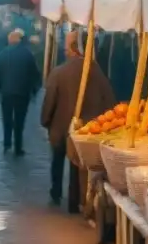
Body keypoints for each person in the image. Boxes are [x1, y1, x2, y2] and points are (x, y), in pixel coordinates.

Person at [41, 31, 116, 206]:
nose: (65, 51)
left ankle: (56, 191)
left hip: (61, 127)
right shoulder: (96, 72)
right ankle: (74, 201)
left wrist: (45, 120)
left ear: (75, 49)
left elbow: (49, 101)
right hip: (87, 129)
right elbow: (110, 100)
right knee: (77, 165)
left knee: (57, 159)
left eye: (67, 47)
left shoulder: (59, 72)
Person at [0, 30, 40, 155]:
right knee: (19, 121)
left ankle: (7, 144)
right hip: (22, 93)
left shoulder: (3, 53)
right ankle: (18, 147)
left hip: (7, 93)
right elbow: (34, 74)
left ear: (10, 41)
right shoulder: (27, 54)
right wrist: (34, 90)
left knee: (7, 119)